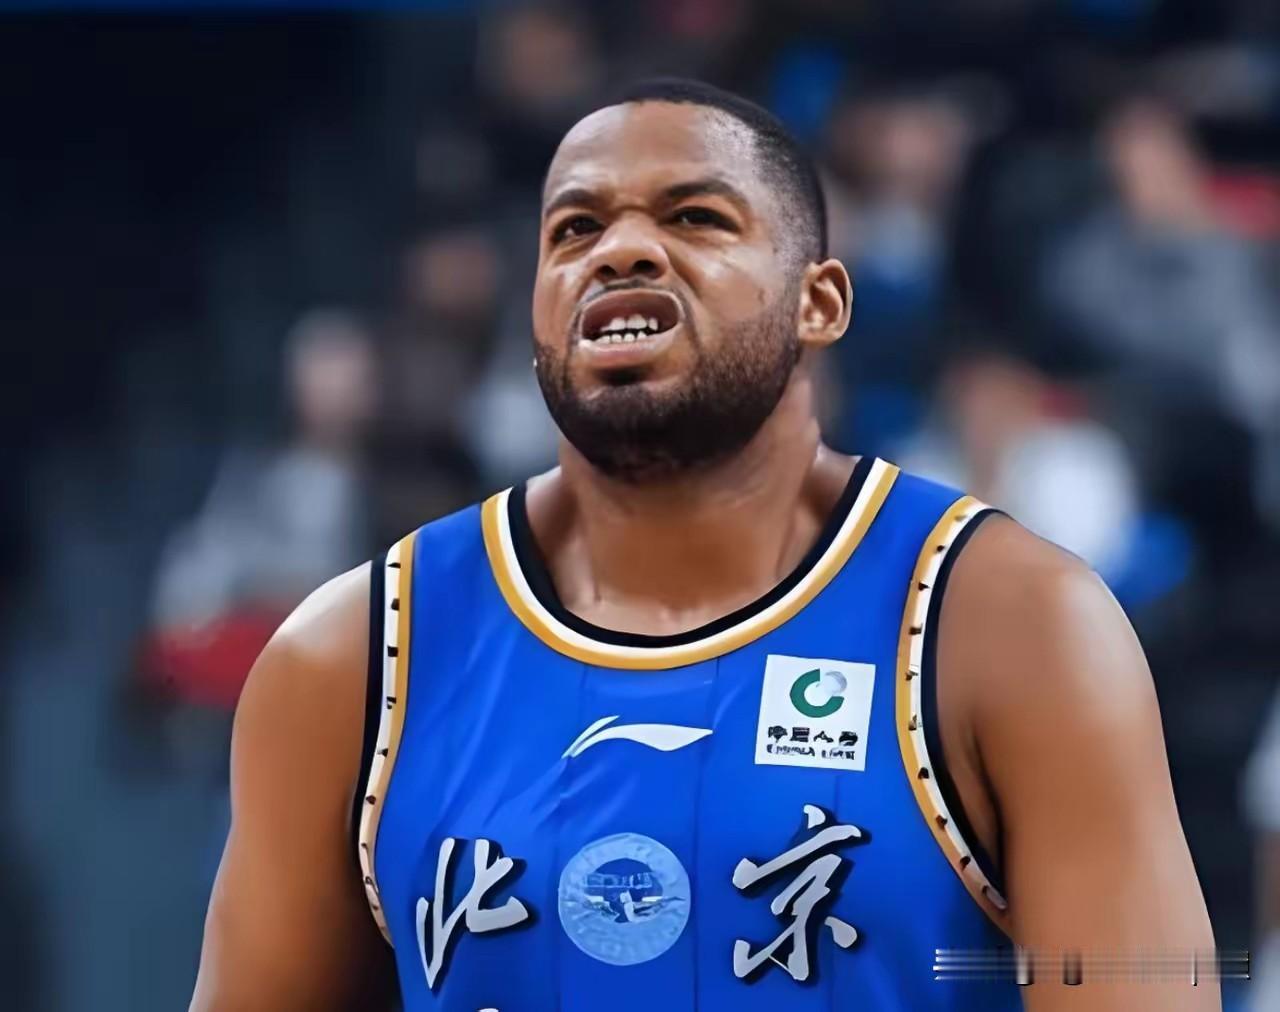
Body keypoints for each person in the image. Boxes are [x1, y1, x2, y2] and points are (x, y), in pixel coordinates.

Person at [190, 79, 1218, 1011]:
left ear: (819, 302)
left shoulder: (1013, 627)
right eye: (574, 229)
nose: (619, 251)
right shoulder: (355, 657)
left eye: (694, 217)